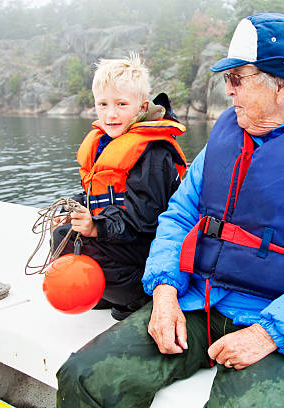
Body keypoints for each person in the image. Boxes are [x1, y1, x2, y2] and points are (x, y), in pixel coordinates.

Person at [56, 13, 284, 407]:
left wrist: (269, 333)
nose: (228, 91)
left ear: (281, 85)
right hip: (198, 301)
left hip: (281, 321)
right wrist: (163, 292)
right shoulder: (227, 138)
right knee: (84, 377)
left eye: (237, 78)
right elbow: (179, 216)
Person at [51, 54, 187, 321]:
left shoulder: (153, 151)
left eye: (121, 104)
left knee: (79, 242)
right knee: (62, 236)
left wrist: (96, 227)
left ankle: (137, 299)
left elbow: (146, 222)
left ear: (141, 106)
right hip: (124, 240)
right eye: (103, 104)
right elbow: (99, 193)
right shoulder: (106, 140)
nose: (110, 114)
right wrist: (76, 208)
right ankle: (104, 293)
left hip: (149, 252)